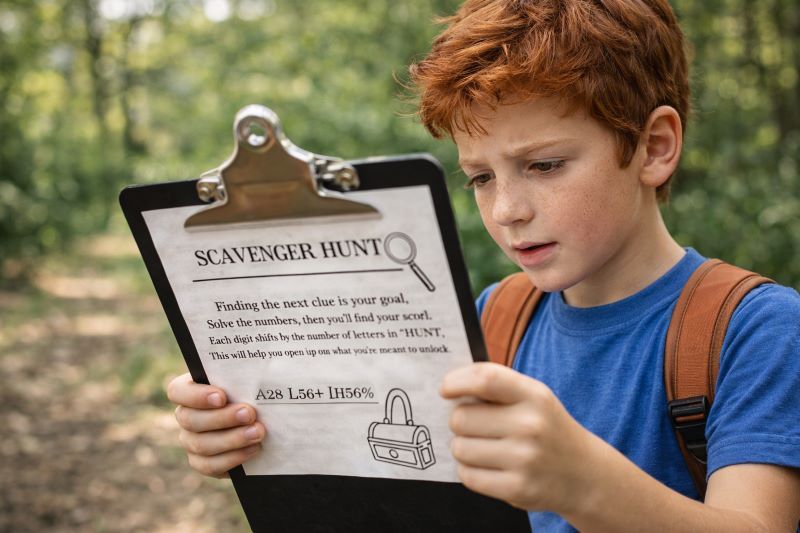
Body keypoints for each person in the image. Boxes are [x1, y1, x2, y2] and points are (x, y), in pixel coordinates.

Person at [166, 0, 800, 530]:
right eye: (479, 177)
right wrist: (260, 433)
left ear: (654, 148)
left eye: (544, 165)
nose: (506, 210)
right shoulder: (491, 320)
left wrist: (584, 483)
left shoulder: (756, 331)